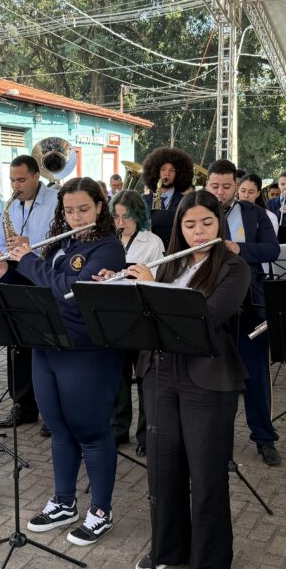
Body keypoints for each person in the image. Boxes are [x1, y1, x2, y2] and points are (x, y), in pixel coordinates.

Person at [0, 177, 125, 546]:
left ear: (100, 208)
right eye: (69, 210)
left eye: (83, 209)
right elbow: (40, 290)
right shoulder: (64, 243)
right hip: (47, 345)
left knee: (91, 431)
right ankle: (64, 502)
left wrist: (30, 261)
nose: (76, 216)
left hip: (87, 352)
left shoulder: (108, 249)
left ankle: (101, 510)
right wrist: (8, 273)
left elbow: (68, 292)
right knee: (59, 428)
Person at [123, 191, 251, 569]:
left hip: (207, 380)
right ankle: (168, 550)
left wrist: (151, 288)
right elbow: (146, 318)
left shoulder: (232, 267)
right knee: (163, 472)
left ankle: (208, 560)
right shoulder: (168, 264)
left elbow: (205, 317)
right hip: (160, 373)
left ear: (219, 223)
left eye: (207, 223)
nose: (198, 233)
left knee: (207, 476)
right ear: (179, 227)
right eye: (190, 225)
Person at [205, 160, 282, 466]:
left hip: (250, 304)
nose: (221, 193)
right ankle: (213, 439)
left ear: (236, 185)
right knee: (212, 375)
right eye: (215, 186)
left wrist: (239, 249)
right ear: (207, 185)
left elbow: (272, 250)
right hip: (210, 303)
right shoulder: (198, 212)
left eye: (226, 187)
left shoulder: (255, 213)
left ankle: (264, 438)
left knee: (256, 376)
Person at [0, 155, 59, 432]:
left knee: (46, 344)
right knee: (17, 344)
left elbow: (59, 238)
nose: (15, 186)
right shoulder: (9, 207)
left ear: (35, 176)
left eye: (21, 180)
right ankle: (24, 406)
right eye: (12, 180)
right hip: (16, 273)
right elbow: (0, 240)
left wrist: (29, 246)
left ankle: (51, 410)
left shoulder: (55, 201)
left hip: (43, 271)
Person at [107, 190, 165, 457]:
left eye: (126, 217)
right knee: (117, 378)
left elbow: (157, 280)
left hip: (141, 318)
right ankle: (118, 429)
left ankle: (145, 435)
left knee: (143, 378)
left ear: (137, 216)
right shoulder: (110, 241)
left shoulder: (152, 241)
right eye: (116, 216)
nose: (121, 222)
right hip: (116, 317)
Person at [141, 146, 195, 247]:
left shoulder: (185, 201)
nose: (167, 173)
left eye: (172, 170)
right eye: (163, 169)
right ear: (156, 172)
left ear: (178, 174)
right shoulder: (143, 200)